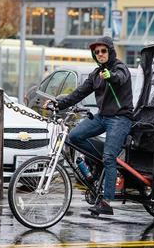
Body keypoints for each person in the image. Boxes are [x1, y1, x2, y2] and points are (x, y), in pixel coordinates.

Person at [44, 36, 133, 215]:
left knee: (109, 157)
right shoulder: (95, 74)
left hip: (120, 118)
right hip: (103, 116)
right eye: (97, 52)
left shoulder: (119, 68)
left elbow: (120, 78)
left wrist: (111, 76)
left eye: (103, 51)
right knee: (74, 137)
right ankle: (103, 161)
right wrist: (58, 104)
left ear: (110, 51)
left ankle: (106, 202)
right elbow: (78, 93)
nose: (100, 54)